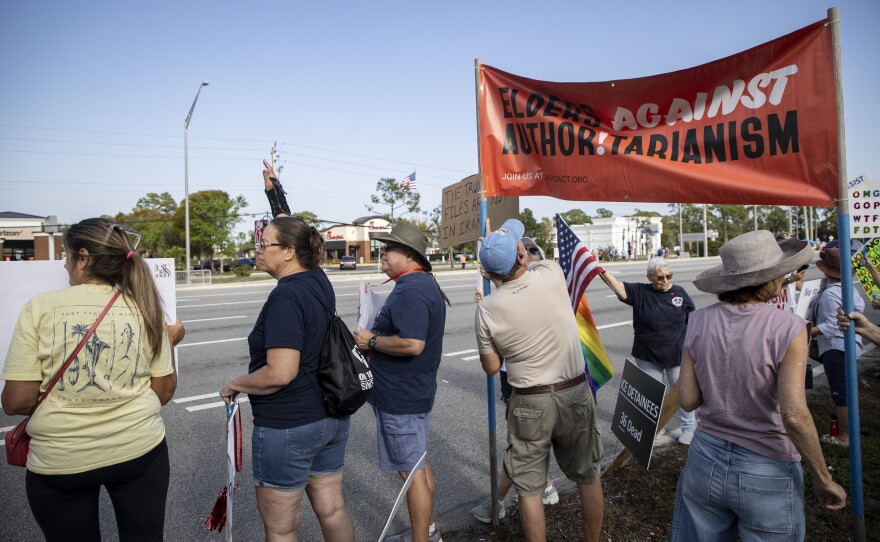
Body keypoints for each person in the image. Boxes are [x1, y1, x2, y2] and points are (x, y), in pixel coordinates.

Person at [1, 218, 185, 542]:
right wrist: (167, 342)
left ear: (83, 256)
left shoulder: (40, 307)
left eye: (66, 255)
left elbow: (15, 402)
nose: (65, 263)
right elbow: (164, 391)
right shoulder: (144, 306)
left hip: (60, 462)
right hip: (139, 452)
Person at [672, 230, 847, 540]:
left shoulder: (697, 320)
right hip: (766, 465)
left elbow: (686, 399)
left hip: (704, 458)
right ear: (770, 279)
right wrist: (823, 477)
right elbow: (794, 416)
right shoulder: (790, 328)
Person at [219, 161, 355, 542]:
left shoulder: (286, 297)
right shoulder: (318, 280)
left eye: (265, 244)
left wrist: (236, 383)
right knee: (332, 509)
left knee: (281, 530)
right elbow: (295, 229)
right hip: (330, 417)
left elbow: (280, 372)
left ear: (290, 252)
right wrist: (274, 192)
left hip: (289, 426)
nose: (260, 249)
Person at [475, 219, 604, 542]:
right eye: (522, 247)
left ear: (489, 273)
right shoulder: (551, 274)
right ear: (521, 259)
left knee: (529, 489)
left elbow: (492, 367)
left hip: (528, 401)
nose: (525, 249)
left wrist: (492, 263)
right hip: (573, 391)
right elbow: (535, 260)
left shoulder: (488, 308)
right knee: (588, 475)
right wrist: (501, 247)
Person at [353, 222, 449, 542]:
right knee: (418, 467)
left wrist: (370, 341)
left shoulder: (412, 289)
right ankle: (430, 529)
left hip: (402, 396)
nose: (382, 252)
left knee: (412, 474)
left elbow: (412, 344)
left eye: (388, 248)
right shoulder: (416, 284)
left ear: (408, 255)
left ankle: (423, 538)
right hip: (410, 392)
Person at [470, 237, 559, 524]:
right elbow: (512, 297)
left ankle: (499, 501)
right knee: (526, 443)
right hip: (516, 379)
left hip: (532, 384)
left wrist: (490, 305)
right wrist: (493, 293)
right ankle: (545, 485)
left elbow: (516, 310)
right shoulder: (513, 291)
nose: (527, 254)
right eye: (524, 251)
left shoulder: (544, 285)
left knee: (519, 447)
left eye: (532, 251)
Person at [599, 256, 696, 444]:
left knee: (682, 391)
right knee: (652, 395)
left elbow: (693, 320)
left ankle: (689, 427)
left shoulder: (680, 293)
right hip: (648, 355)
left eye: (669, 276)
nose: (665, 280)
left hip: (676, 354)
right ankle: (656, 429)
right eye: (660, 277)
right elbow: (617, 287)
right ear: (650, 277)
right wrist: (599, 268)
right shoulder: (640, 291)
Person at [809, 248, 864, 447]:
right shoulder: (850, 290)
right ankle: (848, 432)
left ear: (826, 271)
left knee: (841, 393)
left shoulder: (830, 295)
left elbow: (831, 325)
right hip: (850, 346)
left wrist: (805, 331)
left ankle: (845, 437)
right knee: (846, 390)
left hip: (836, 347)